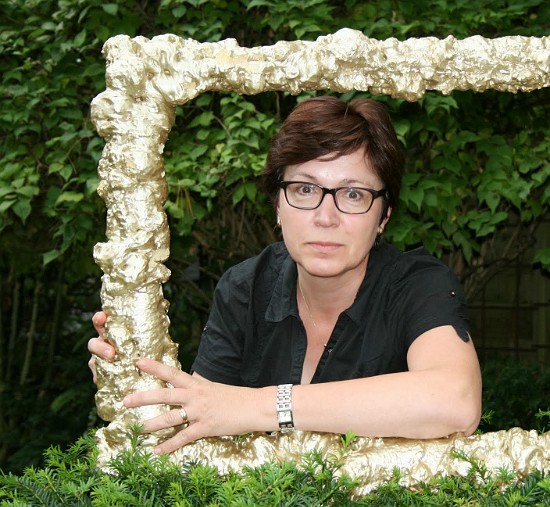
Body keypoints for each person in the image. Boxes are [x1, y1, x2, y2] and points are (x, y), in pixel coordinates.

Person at [88, 96, 482, 455]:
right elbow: (203, 420)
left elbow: (455, 402)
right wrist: (128, 376)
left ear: (383, 217)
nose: (326, 218)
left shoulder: (417, 285)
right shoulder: (246, 287)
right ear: (278, 204)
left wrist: (263, 406)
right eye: (305, 189)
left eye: (353, 194)